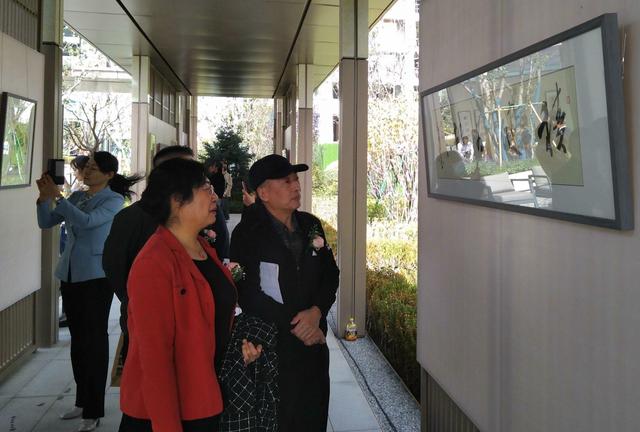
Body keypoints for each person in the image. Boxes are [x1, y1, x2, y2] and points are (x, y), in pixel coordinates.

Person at [119, 158, 261, 432]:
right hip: (168, 412)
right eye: (205, 188)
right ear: (176, 201)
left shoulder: (202, 248)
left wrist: (236, 350)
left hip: (205, 396)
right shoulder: (154, 262)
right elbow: (154, 359)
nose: (215, 196)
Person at [230, 154, 340, 431]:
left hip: (313, 343)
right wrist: (298, 324)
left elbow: (330, 274)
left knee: (313, 415)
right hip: (273, 347)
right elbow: (247, 292)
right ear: (263, 193)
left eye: (296, 179)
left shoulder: (310, 224)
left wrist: (316, 313)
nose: (296, 186)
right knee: (279, 420)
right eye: (286, 181)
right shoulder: (247, 232)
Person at [36, 151, 141, 432]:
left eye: (94, 168)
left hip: (96, 277)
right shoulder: (77, 196)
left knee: (94, 342)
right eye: (87, 167)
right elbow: (46, 222)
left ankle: (93, 410)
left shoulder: (113, 200)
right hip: (70, 273)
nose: (87, 171)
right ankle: (81, 401)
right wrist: (44, 198)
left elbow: (87, 221)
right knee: (78, 341)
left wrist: (58, 197)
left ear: (109, 174)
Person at [103, 145, 194, 366]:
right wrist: (137, 299)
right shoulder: (131, 218)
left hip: (191, 322)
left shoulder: (196, 213)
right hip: (146, 319)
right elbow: (114, 266)